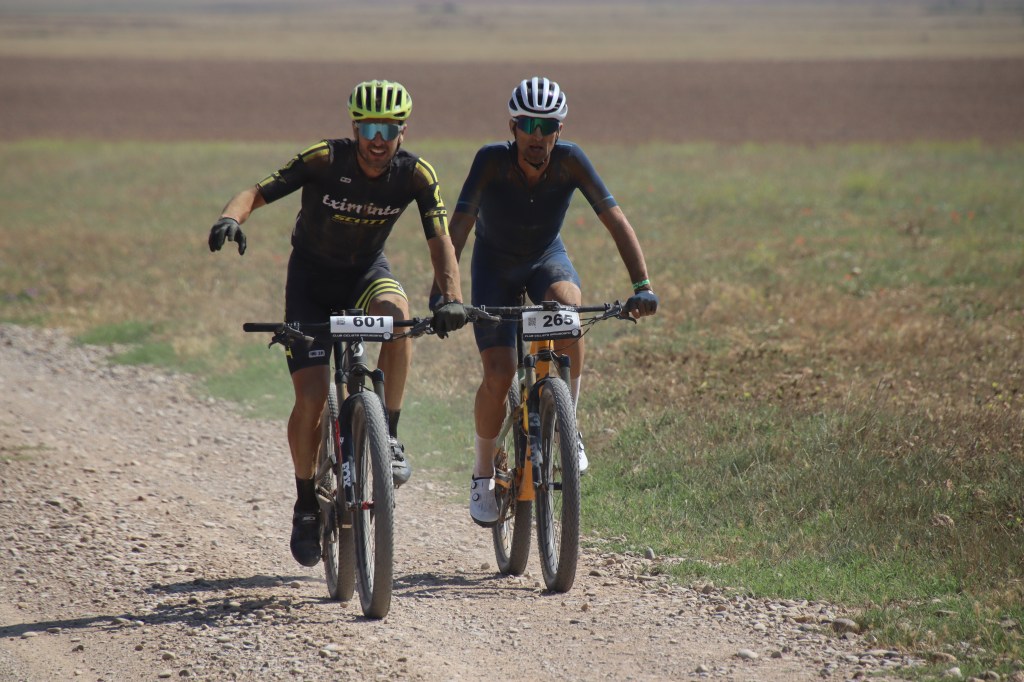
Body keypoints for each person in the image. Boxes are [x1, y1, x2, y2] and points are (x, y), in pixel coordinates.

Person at [209, 79, 468, 566]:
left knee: (399, 320)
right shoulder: (324, 159)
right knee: (311, 399)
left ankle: (389, 437)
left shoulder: (416, 174)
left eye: (388, 129)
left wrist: (452, 298)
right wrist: (232, 218)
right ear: (354, 128)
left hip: (366, 274)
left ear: (404, 131)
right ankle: (306, 503)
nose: (378, 140)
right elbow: (258, 191)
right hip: (310, 282)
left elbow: (439, 239)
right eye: (369, 128)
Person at [432, 76, 659, 526]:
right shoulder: (491, 161)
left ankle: (568, 424)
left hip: (545, 259)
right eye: (528, 125)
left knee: (568, 308)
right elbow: (457, 228)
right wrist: (444, 296)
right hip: (494, 267)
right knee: (498, 373)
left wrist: (642, 286)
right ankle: (482, 471)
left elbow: (616, 221)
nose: (537, 136)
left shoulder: (570, 161)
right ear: (512, 127)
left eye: (548, 126)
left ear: (560, 129)